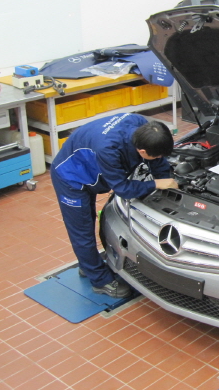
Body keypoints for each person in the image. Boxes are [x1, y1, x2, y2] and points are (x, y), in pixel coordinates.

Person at [51, 113, 178, 298]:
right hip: (71, 178)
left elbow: (158, 162)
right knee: (83, 231)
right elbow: (123, 189)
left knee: (86, 224)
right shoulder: (108, 150)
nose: (159, 157)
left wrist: (167, 184)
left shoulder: (142, 126)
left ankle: (88, 264)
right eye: (156, 154)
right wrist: (156, 184)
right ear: (142, 151)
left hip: (90, 164)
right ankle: (99, 280)